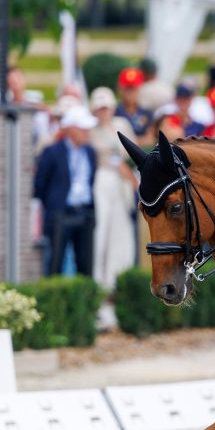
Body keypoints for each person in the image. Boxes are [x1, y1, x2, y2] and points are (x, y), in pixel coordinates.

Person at [34, 106, 98, 277]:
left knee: (86, 263)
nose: (87, 133)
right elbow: (40, 184)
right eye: (83, 129)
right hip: (61, 213)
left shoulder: (90, 152)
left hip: (84, 211)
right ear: (72, 129)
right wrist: (53, 207)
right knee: (55, 263)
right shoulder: (52, 152)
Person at [88, 87, 138, 290]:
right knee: (102, 232)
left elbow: (132, 152)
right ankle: (100, 283)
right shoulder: (91, 131)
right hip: (103, 180)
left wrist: (133, 178)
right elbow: (111, 161)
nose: (104, 112)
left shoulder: (122, 124)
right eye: (100, 108)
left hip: (123, 184)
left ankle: (118, 280)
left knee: (122, 233)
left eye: (107, 107)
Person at [115, 67, 153, 145]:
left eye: (133, 88)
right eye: (127, 88)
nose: (130, 92)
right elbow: (115, 141)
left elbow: (150, 139)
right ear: (120, 88)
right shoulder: (114, 112)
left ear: (139, 88)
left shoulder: (147, 112)